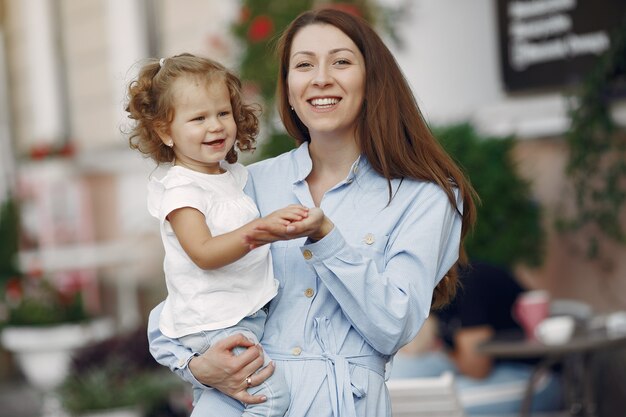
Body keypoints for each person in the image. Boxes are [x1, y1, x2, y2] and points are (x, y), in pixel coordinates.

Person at [147, 8, 477, 417]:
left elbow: (394, 327)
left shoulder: (426, 196)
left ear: (372, 78)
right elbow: (185, 300)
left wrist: (327, 239)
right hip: (246, 399)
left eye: (341, 61)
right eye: (304, 65)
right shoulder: (247, 184)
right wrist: (197, 367)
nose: (321, 78)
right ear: (287, 86)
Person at [125, 53, 316, 416]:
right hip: (214, 322)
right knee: (270, 400)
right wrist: (260, 231)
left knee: (226, 404)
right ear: (165, 131)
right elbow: (204, 252)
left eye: (223, 113)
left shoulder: (231, 178)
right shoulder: (182, 190)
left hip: (238, 316)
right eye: (198, 118)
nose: (215, 126)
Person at [390, 261, 563, 415]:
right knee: (389, 384)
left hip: (535, 376)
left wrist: (441, 351)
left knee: (434, 404)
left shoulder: (469, 282)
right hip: (471, 369)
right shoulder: (424, 288)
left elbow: (476, 368)